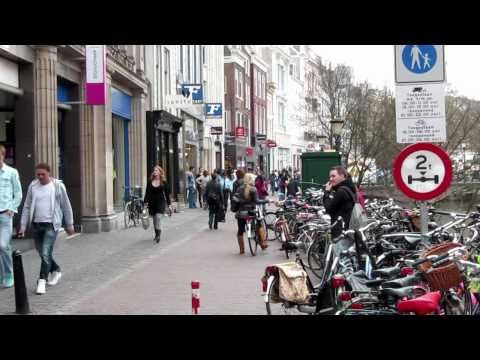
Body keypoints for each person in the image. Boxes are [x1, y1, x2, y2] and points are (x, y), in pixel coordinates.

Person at [18, 163, 74, 295]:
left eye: (43, 174)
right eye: (38, 174)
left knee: (45, 252)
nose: (40, 177)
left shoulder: (58, 186)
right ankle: (56, 270)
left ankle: (42, 281)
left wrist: (70, 223)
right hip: (36, 225)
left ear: (49, 173)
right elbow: (26, 206)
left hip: (51, 225)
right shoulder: (33, 186)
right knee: (44, 254)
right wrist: (23, 225)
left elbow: (66, 206)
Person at [0, 145, 22, 288]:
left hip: (5, 215)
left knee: (2, 245)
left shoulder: (11, 172)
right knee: (3, 247)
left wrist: (12, 209)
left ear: (3, 155)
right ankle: (3, 275)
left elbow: (18, 192)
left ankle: (8, 274)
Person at [234, 173, 267, 254]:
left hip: (241, 213)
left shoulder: (239, 189)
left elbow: (235, 200)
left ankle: (242, 249)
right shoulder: (253, 189)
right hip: (251, 213)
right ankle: (262, 243)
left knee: (240, 231)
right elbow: (257, 201)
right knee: (259, 225)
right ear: (251, 180)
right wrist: (266, 200)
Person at [322, 166, 356, 238]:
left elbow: (329, 209)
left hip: (340, 231)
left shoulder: (341, 191)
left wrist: (327, 193)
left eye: (333, 176)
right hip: (347, 229)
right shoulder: (349, 188)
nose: (331, 179)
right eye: (330, 177)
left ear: (342, 176)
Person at [144, 166, 171, 244]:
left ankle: (158, 235)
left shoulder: (164, 182)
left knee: (158, 217)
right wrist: (145, 202)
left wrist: (169, 205)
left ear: (160, 172)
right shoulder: (150, 181)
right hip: (152, 202)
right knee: (154, 219)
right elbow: (147, 193)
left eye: (156, 170)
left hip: (161, 202)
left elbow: (167, 194)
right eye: (154, 170)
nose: (155, 171)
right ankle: (156, 234)